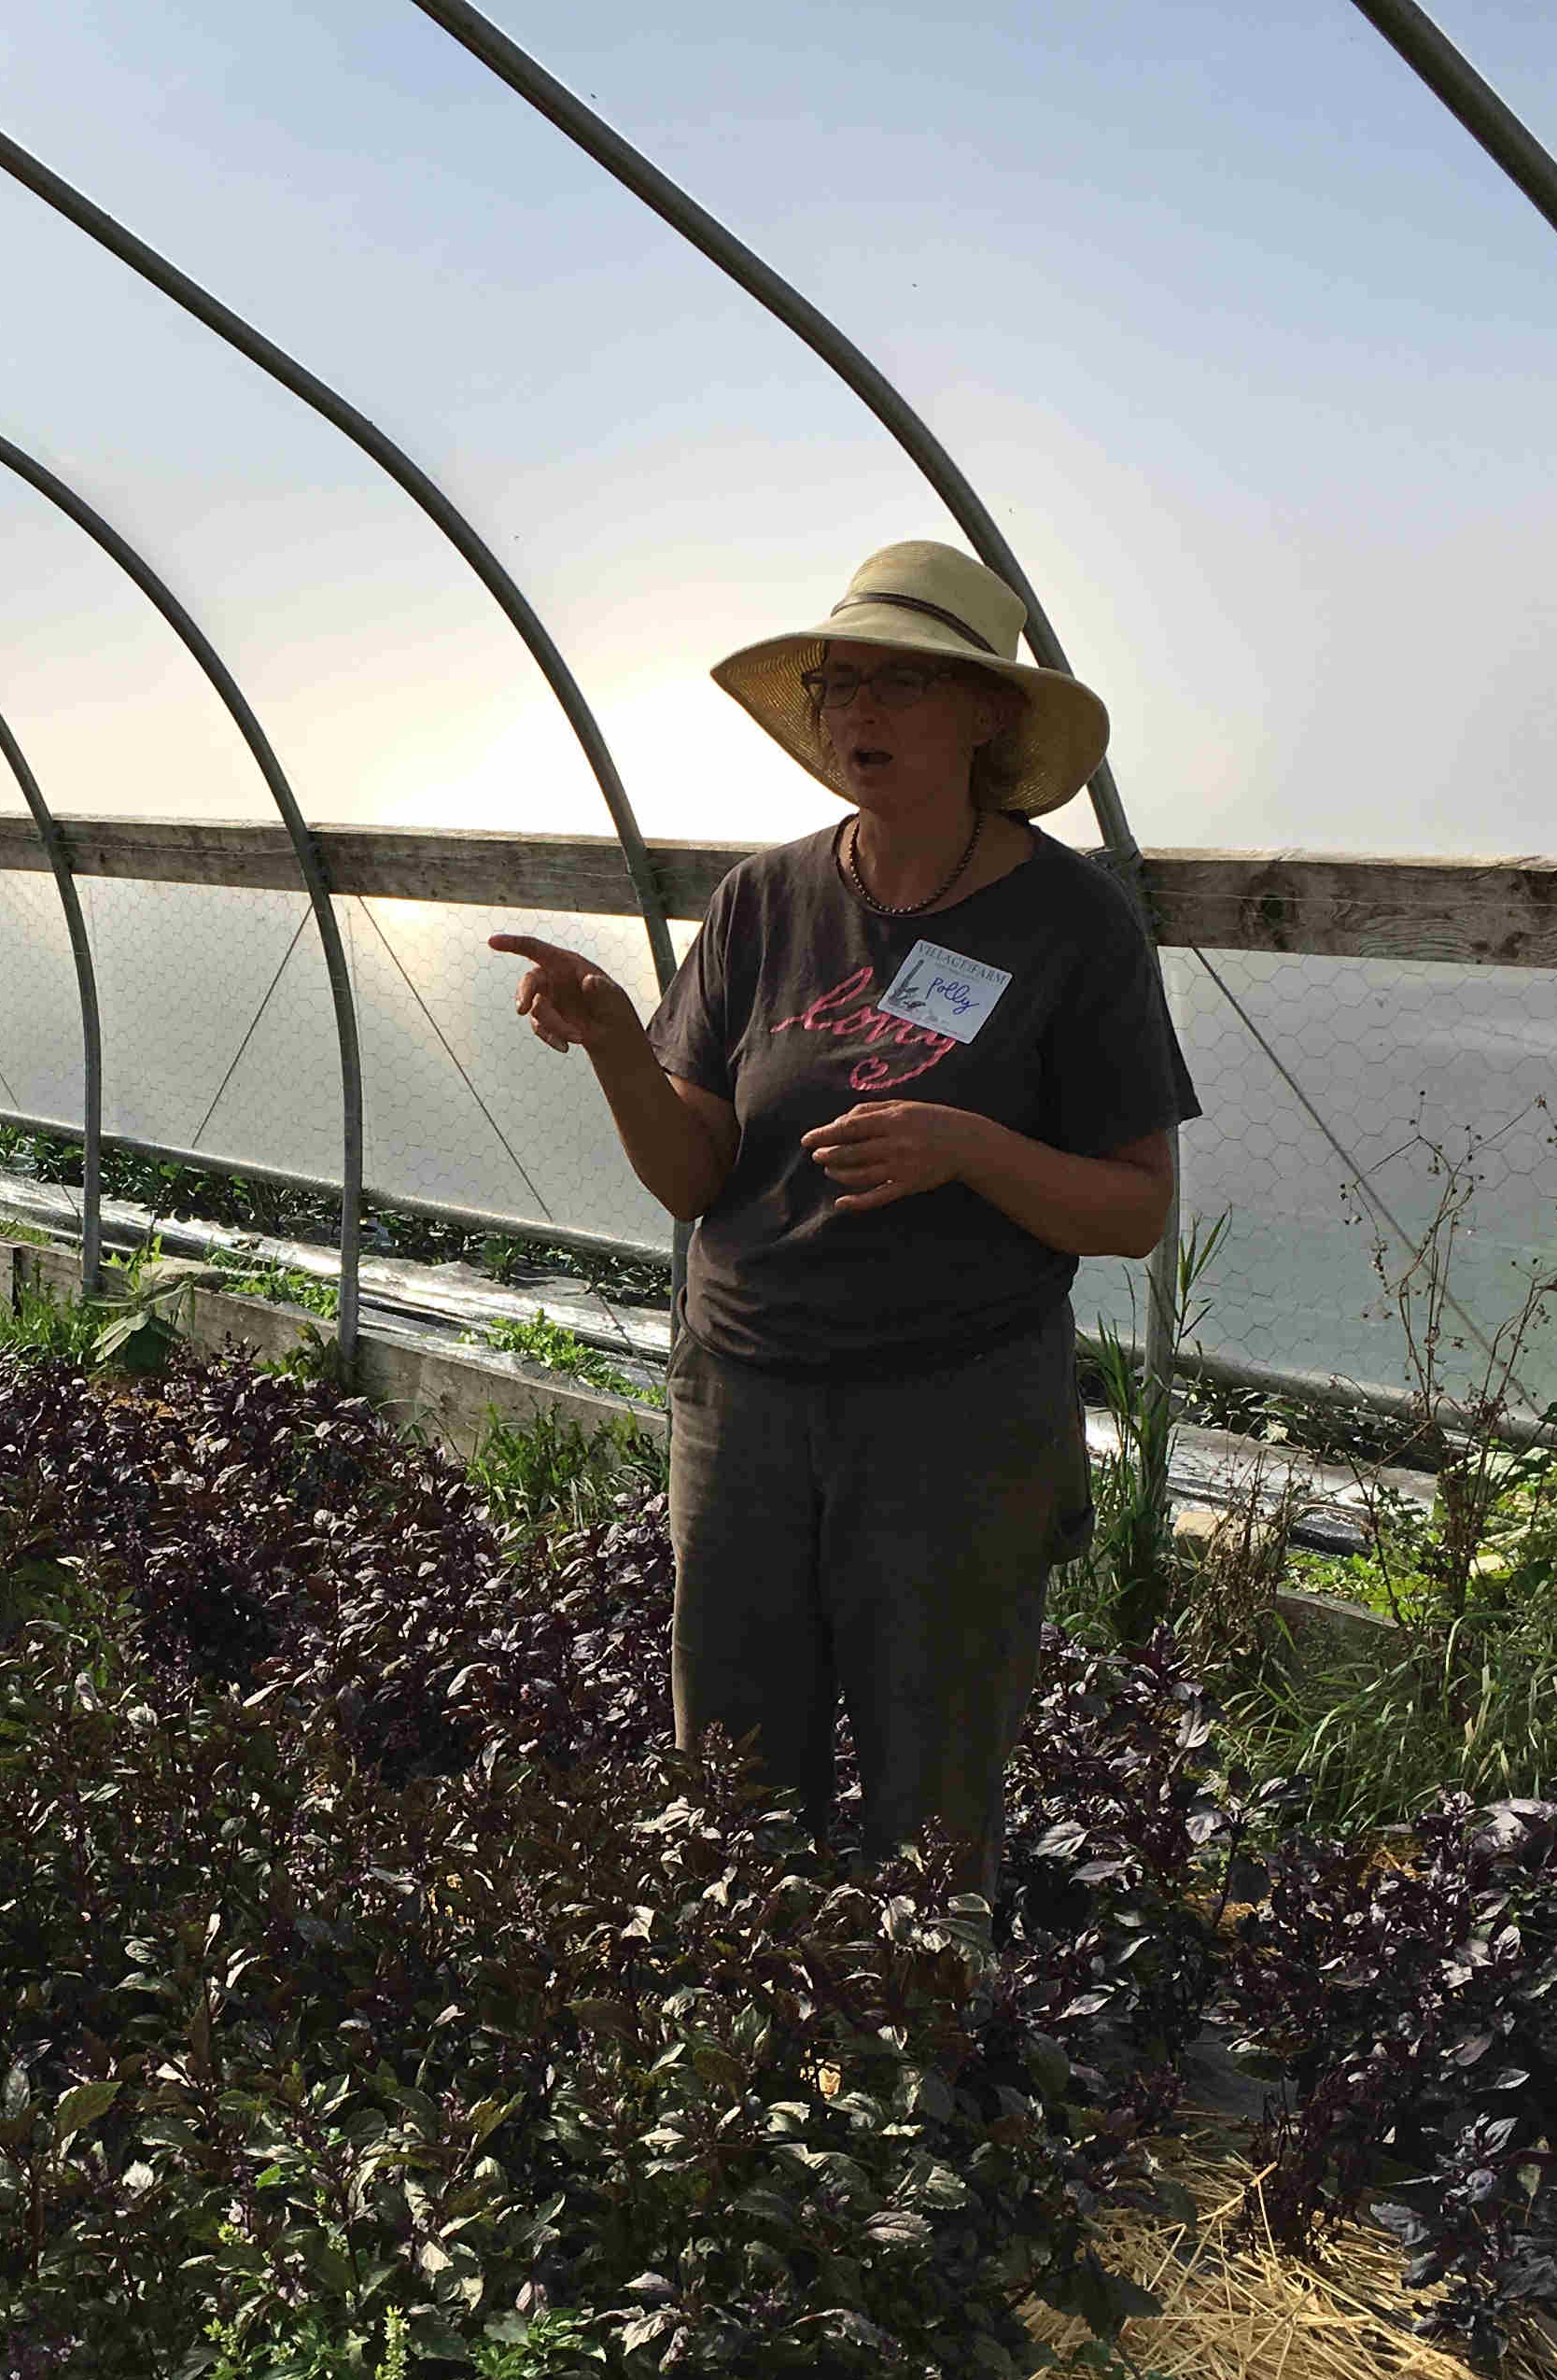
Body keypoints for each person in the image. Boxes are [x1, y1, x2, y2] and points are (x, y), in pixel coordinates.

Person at [491, 539, 1197, 1871]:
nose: (859, 714)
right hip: (743, 1399)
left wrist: (970, 1146)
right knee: (734, 1774)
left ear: (988, 713)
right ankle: (757, 2036)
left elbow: (1132, 1210)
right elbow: (697, 1179)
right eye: (839, 685)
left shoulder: (1073, 927)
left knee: (936, 1782)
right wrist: (620, 1052)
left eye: (901, 685)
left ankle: (923, 2043)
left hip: (951, 1416)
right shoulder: (767, 899)